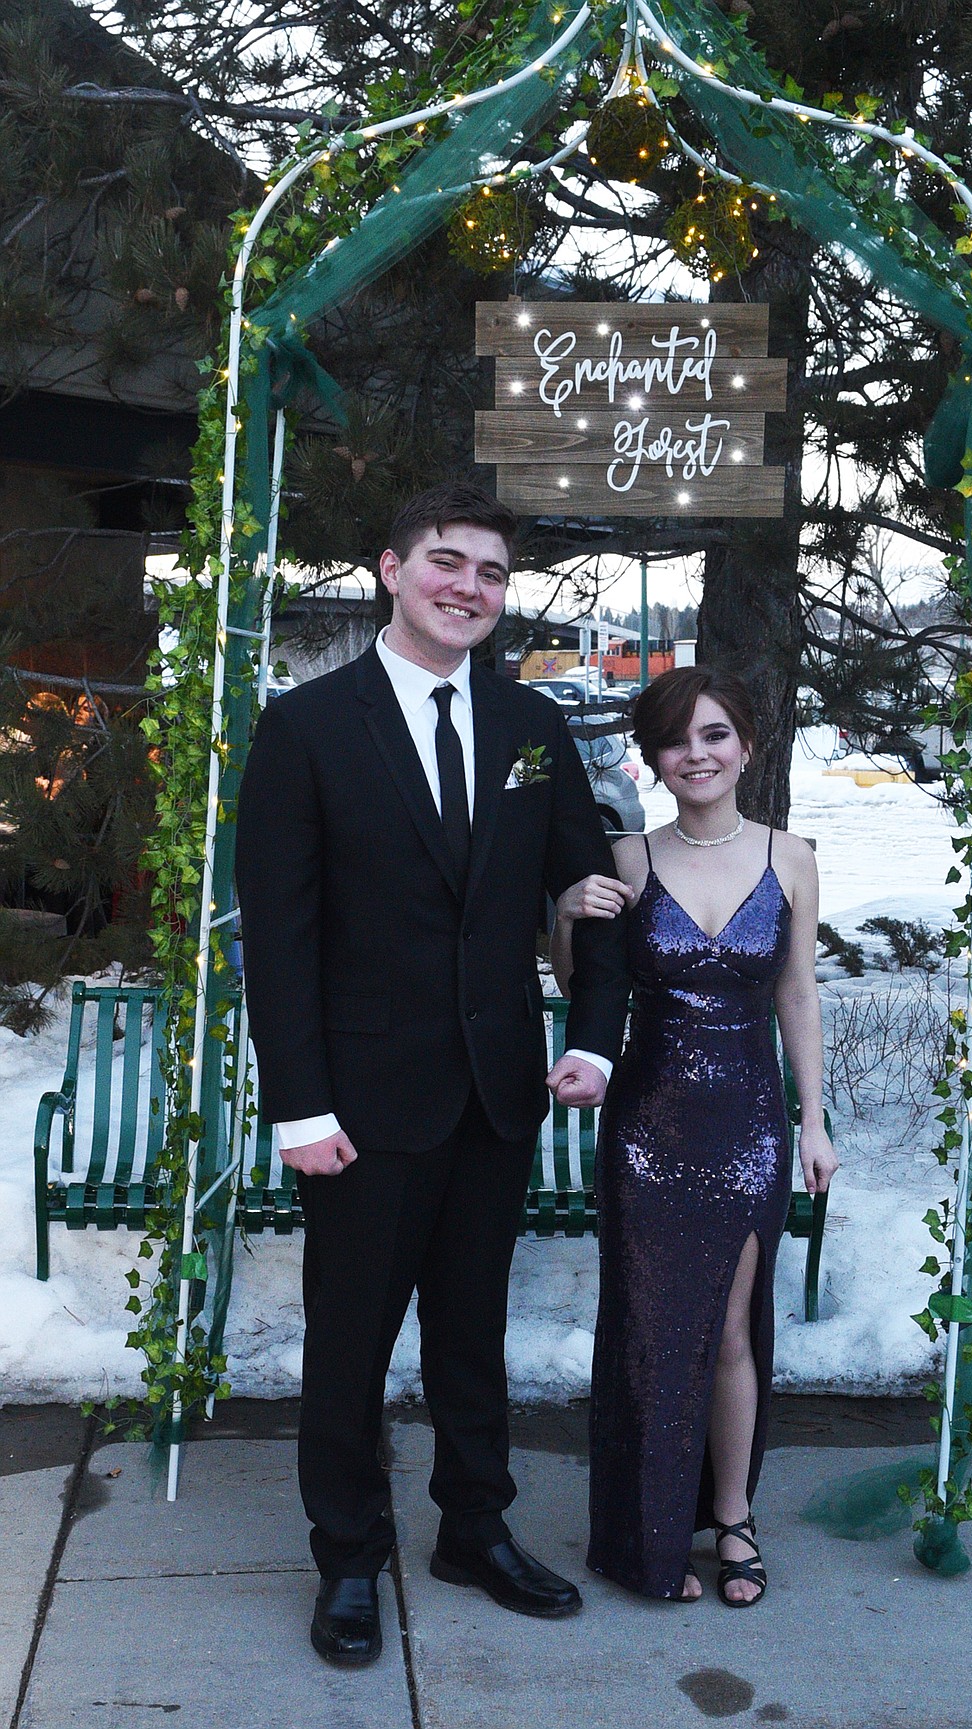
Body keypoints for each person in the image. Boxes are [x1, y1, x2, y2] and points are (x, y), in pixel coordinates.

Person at [235, 482, 629, 1665]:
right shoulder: (305, 730)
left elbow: (594, 894)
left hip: (497, 1091)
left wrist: (595, 1032)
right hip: (356, 1102)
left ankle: (475, 1528)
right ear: (390, 570)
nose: (469, 587)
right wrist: (298, 1104)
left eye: (492, 573)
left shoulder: (531, 728)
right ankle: (349, 1554)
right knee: (349, 1340)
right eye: (446, 562)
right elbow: (282, 936)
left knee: (472, 1331)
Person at [550, 666, 838, 1606]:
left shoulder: (790, 856)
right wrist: (564, 916)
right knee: (650, 1329)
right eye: (678, 740)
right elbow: (582, 983)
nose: (698, 754)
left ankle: (733, 1515)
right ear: (655, 759)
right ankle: (648, 1529)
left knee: (724, 1333)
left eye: (715, 735)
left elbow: (797, 992)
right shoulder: (629, 858)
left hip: (748, 1122)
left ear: (747, 745)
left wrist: (813, 1122)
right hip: (648, 1126)